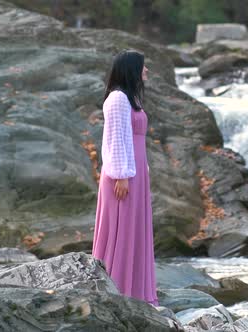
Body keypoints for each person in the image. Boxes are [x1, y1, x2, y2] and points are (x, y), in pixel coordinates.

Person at [92, 50, 158, 306]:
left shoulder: (129, 99)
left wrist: (142, 172)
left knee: (134, 230)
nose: (147, 71)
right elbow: (116, 139)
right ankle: (119, 292)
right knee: (121, 230)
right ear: (132, 69)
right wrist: (121, 175)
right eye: (143, 67)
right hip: (123, 176)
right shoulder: (117, 99)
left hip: (135, 174)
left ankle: (136, 292)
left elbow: (134, 139)